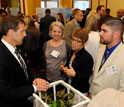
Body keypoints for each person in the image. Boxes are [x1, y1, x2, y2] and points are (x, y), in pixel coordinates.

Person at [0, 15, 49, 107]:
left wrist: (35, 79)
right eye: (22, 31)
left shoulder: (17, 47)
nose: (25, 34)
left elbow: (26, 69)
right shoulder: (2, 57)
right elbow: (6, 93)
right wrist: (34, 88)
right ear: (11, 33)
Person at [89, 18, 124, 99]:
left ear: (116, 34)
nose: (100, 33)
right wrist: (91, 90)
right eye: (100, 30)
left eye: (104, 31)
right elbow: (96, 74)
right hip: (95, 99)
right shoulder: (102, 48)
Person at [62, 29, 93, 95]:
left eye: (78, 41)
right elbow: (69, 65)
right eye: (73, 39)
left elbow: (85, 77)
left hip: (80, 92)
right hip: (69, 87)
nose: (74, 42)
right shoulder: (72, 52)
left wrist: (74, 74)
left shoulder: (87, 58)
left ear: (84, 43)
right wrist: (64, 68)